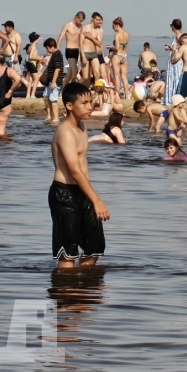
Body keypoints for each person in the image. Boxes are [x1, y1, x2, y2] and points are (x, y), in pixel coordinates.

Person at [50, 82, 109, 268]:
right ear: (69, 105)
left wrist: (91, 198)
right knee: (68, 253)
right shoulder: (65, 131)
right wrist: (97, 200)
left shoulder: (82, 126)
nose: (90, 106)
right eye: (84, 103)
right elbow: (74, 169)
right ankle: (66, 284)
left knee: (95, 247)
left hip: (83, 191)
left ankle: (84, 284)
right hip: (64, 194)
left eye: (91, 102)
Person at [40, 39, 65, 123]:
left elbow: (57, 69)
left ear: (51, 47)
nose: (47, 50)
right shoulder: (54, 54)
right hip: (50, 81)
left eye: (47, 48)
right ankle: (49, 116)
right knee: (46, 97)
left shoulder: (57, 55)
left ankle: (56, 118)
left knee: (53, 99)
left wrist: (53, 82)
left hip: (55, 81)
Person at [57, 12, 86, 85]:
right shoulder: (67, 26)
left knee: (70, 72)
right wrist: (57, 49)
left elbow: (82, 40)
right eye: (80, 20)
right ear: (76, 17)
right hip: (69, 50)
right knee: (75, 70)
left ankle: (64, 86)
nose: (80, 22)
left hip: (77, 50)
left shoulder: (80, 26)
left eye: (82, 21)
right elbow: (60, 38)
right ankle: (73, 86)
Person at [111, 18, 130, 96]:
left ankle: (117, 95)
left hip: (117, 55)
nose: (113, 28)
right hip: (124, 55)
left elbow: (117, 47)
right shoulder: (127, 34)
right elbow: (125, 45)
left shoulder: (117, 34)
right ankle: (126, 95)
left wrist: (110, 47)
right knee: (124, 77)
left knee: (117, 76)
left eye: (113, 26)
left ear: (117, 25)